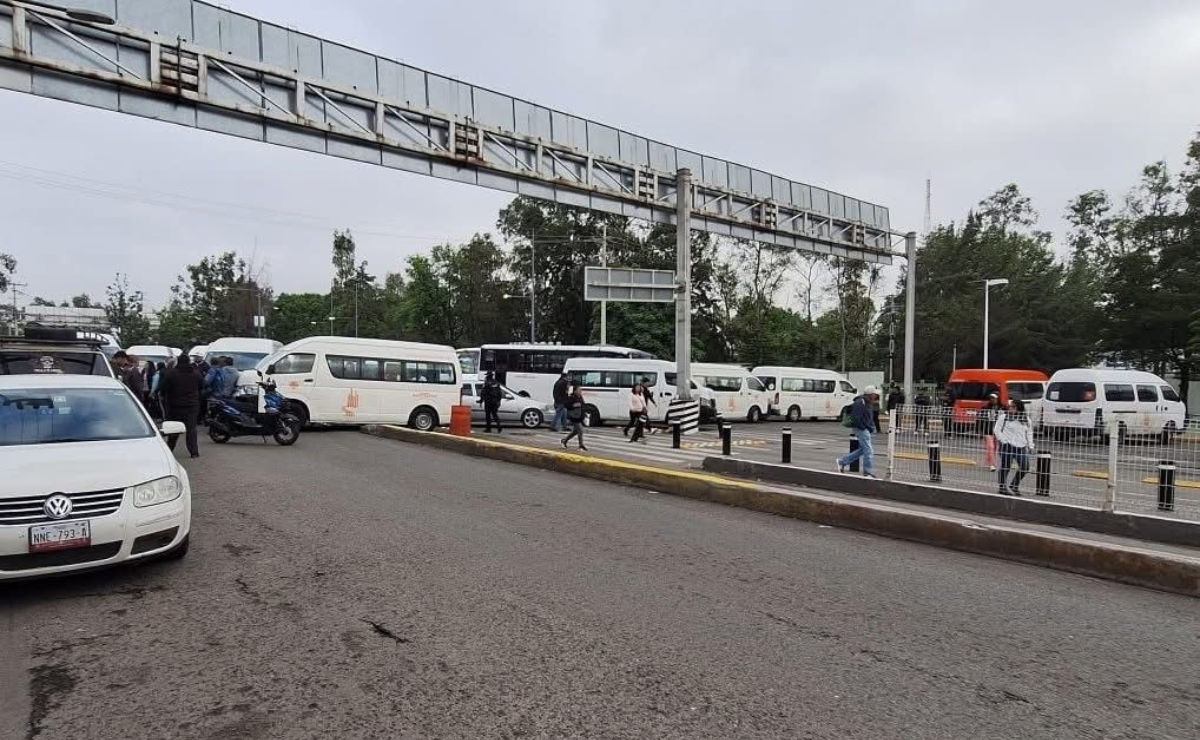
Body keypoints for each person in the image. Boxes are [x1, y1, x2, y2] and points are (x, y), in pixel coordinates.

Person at [161, 354, 203, 458]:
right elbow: (202, 385)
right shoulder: (195, 373)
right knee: (191, 429)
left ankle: (169, 450)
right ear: (189, 361)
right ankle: (194, 452)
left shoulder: (172, 373)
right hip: (191, 405)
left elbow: (163, 389)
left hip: (175, 405)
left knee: (174, 429)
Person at [837, 385, 881, 478]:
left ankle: (842, 462)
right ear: (870, 394)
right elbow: (856, 417)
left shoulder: (867, 402)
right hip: (861, 429)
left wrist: (870, 427)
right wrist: (864, 427)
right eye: (875, 394)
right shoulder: (860, 402)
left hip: (865, 428)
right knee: (868, 450)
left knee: (863, 450)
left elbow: (867, 417)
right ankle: (867, 472)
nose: (876, 396)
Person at [995, 399, 1035, 495]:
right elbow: (997, 429)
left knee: (1025, 467)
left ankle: (1014, 485)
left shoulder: (1026, 419)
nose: (1011, 408)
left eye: (1013, 407)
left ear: (1019, 408)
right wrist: (1003, 440)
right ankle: (1002, 487)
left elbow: (1029, 433)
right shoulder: (1004, 417)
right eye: (1010, 406)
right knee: (1005, 467)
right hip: (1007, 445)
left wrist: (1031, 445)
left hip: (1021, 446)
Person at [978, 392, 1002, 472]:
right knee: (990, 447)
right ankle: (992, 465)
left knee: (995, 448)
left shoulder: (1002, 408)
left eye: (994, 398)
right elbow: (980, 419)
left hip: (998, 431)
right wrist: (980, 431)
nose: (992, 399)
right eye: (991, 398)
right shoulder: (985, 408)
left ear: (998, 398)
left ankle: (989, 461)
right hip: (988, 430)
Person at [560, 386, 587, 451]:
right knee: (580, 430)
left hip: (579, 417)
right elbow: (566, 405)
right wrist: (573, 406)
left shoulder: (580, 397)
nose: (580, 391)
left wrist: (584, 413)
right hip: (574, 417)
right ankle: (581, 445)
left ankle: (564, 440)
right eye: (579, 390)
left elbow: (583, 405)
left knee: (575, 431)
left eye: (580, 390)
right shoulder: (572, 397)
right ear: (574, 391)